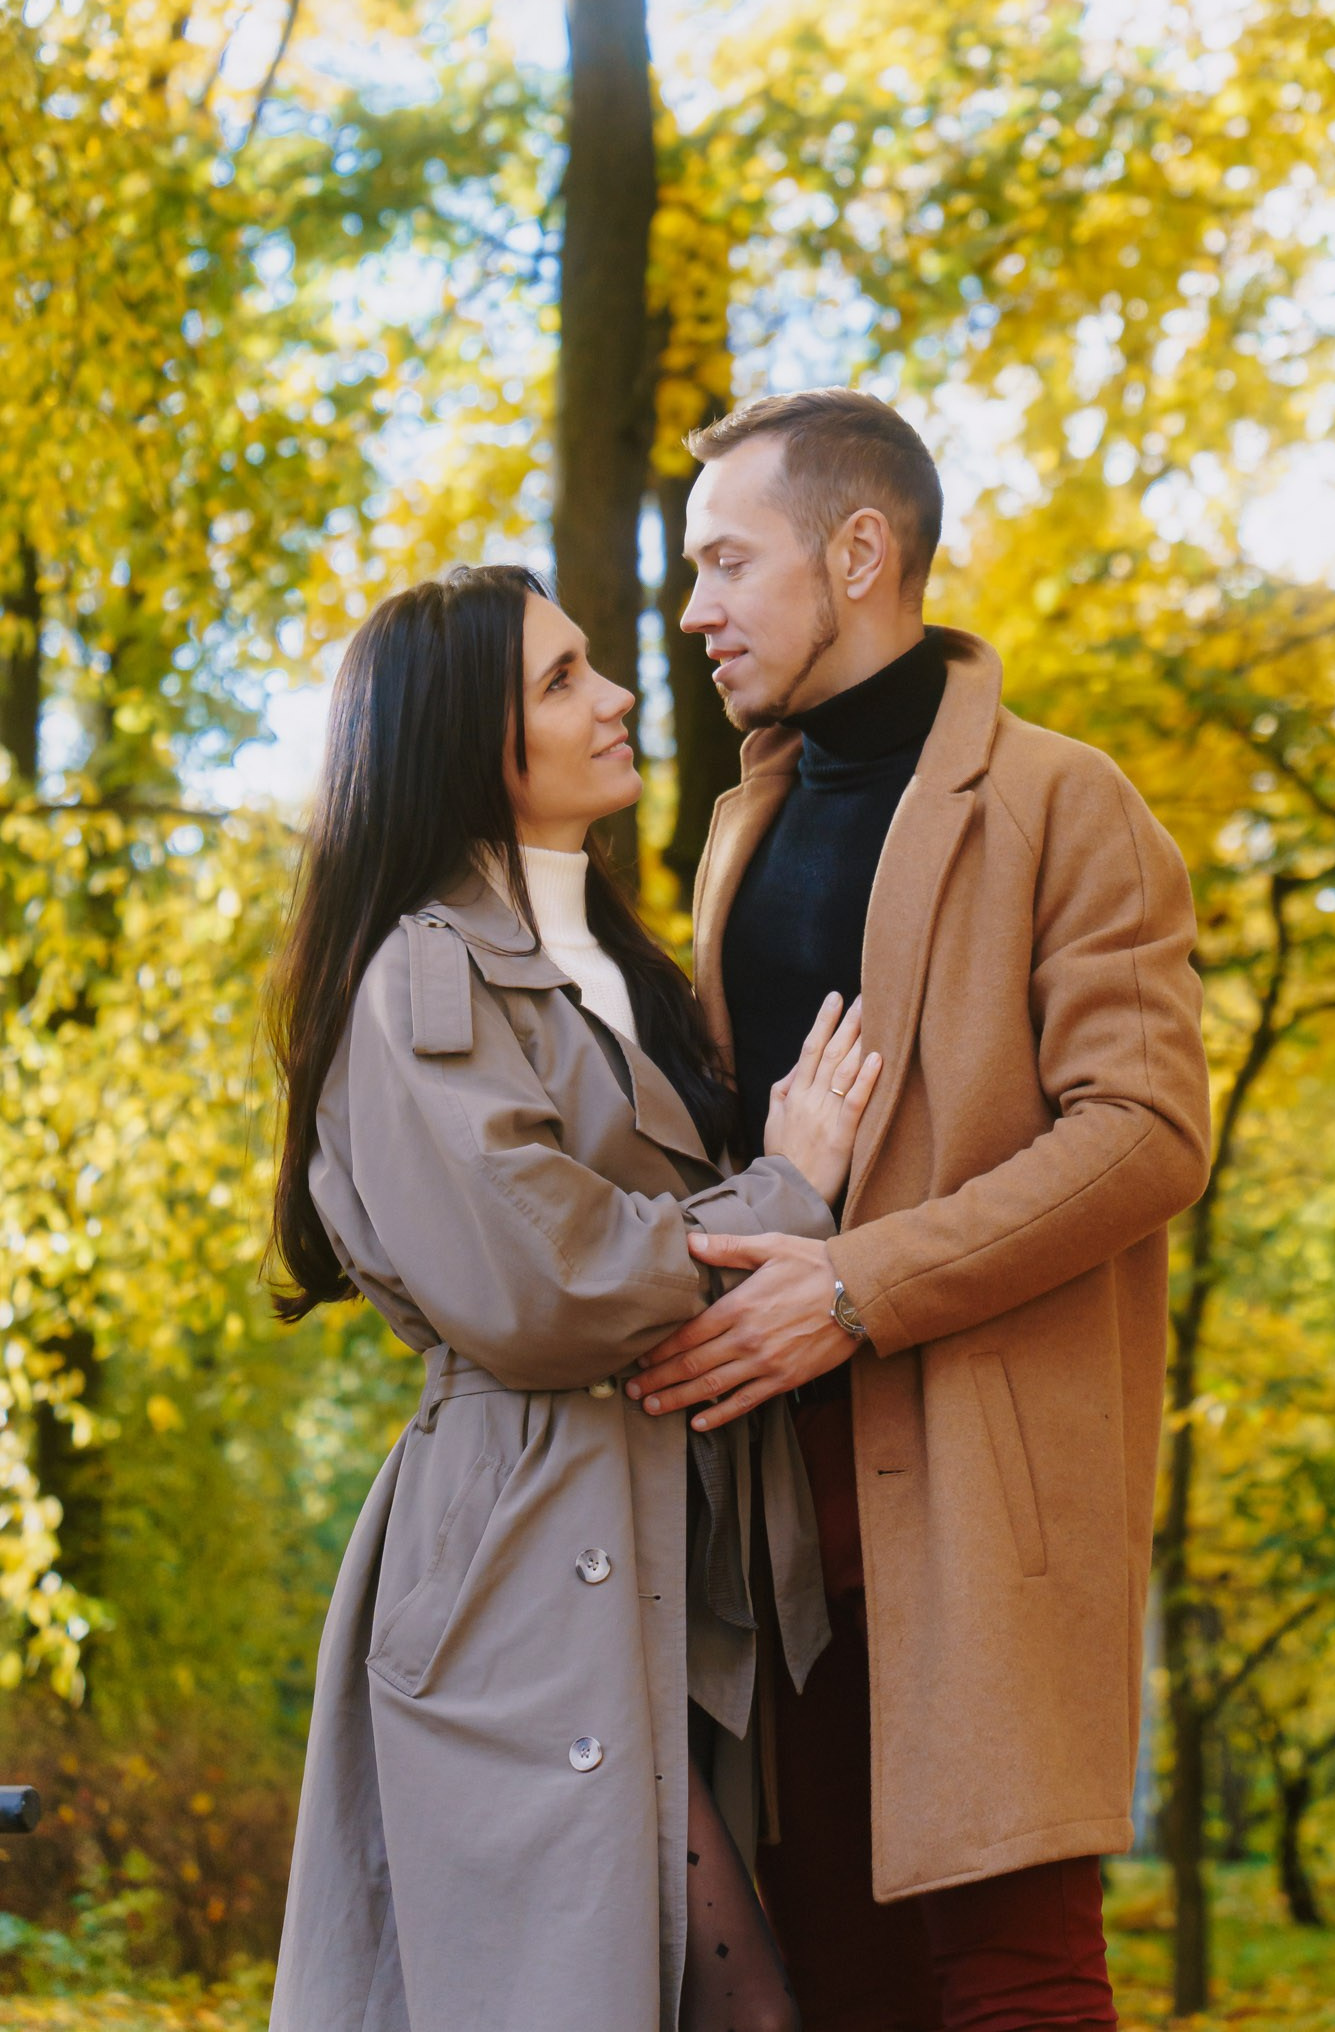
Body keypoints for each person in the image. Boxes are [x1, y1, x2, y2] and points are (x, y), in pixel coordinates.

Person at [624, 390, 1212, 2032]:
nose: (695, 612)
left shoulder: (1063, 801)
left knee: (1015, 1980)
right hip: (772, 1520)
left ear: (861, 550)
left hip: (982, 1486)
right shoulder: (743, 823)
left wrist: (857, 1285)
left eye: (727, 563)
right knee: (837, 1983)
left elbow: (1150, 1130)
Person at [266, 563, 884, 2032]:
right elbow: (541, 1280)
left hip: (653, 1537)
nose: (614, 696)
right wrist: (785, 1192)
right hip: (524, 1567)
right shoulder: (421, 974)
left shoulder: (616, 968)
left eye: (591, 666)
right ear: (462, 745)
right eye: (558, 682)